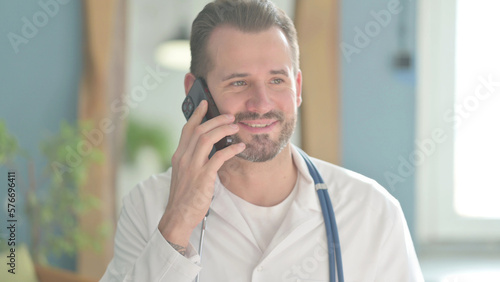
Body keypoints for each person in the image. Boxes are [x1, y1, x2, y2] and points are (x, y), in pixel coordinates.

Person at [101, 0, 424, 281]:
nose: (261, 103)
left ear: (297, 87)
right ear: (194, 93)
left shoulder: (371, 211)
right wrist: (177, 223)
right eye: (239, 82)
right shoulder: (148, 206)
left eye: (276, 80)